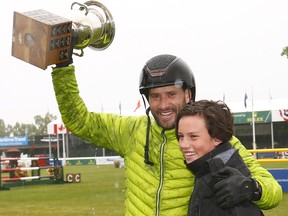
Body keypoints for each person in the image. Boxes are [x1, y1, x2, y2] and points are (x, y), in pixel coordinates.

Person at [51, 54, 282, 215]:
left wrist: (251, 188)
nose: (163, 104)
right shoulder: (131, 131)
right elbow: (78, 120)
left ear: (188, 95)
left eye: (171, 94)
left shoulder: (213, 135)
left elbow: (274, 191)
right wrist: (62, 67)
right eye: (155, 96)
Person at [175, 100, 265, 216]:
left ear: (217, 138)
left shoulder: (224, 182)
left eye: (193, 136)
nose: (183, 145)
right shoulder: (207, 173)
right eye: (181, 136)